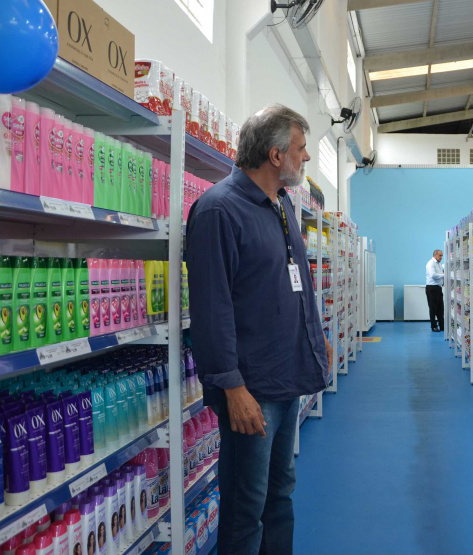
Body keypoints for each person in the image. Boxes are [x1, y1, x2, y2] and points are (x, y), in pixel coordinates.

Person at [187, 103, 333, 555]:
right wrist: (232, 387)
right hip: (251, 390)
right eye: (301, 149)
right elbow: (211, 310)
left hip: (287, 378)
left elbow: (298, 282)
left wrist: (316, 336)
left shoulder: (282, 205)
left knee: (279, 493)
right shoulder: (218, 211)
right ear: (275, 156)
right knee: (245, 505)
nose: (306, 158)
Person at [425, 249, 445, 332]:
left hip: (438, 288)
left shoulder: (439, 264)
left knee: (440, 308)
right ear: (435, 255)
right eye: (440, 255)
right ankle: (433, 326)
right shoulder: (431, 263)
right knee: (433, 308)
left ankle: (442, 326)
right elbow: (433, 275)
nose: (441, 257)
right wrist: (444, 275)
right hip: (432, 288)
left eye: (442, 256)